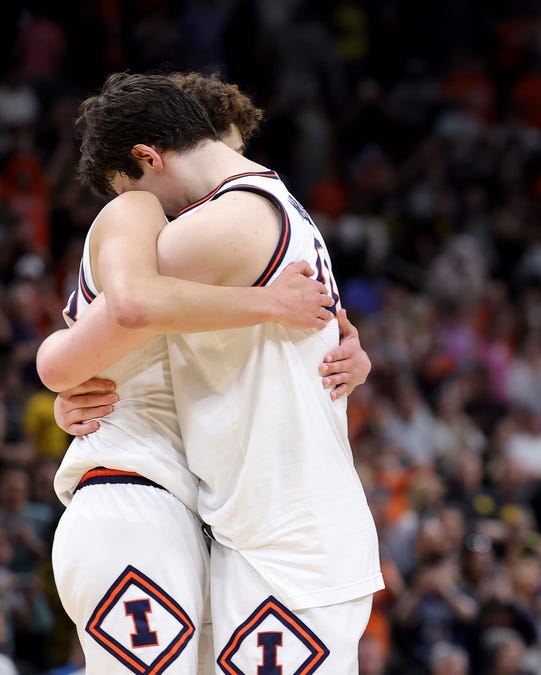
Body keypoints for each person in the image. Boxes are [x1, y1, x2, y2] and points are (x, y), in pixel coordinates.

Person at [41, 71, 383, 672]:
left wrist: (64, 372)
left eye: (127, 189)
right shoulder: (258, 214)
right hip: (187, 510)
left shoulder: (226, 219)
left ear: (148, 157)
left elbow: (86, 341)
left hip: (281, 533)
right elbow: (122, 321)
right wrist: (272, 306)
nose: (139, 202)